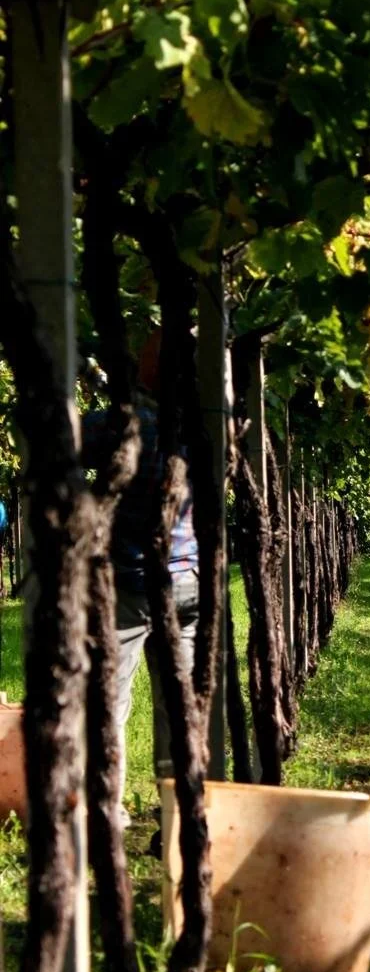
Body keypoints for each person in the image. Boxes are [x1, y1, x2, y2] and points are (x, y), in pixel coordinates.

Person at [83, 330, 199, 831]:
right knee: (180, 702)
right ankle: (179, 814)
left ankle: (108, 807)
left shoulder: (124, 425)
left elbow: (69, 438)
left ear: (148, 370)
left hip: (127, 581)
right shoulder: (206, 425)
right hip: (185, 580)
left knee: (110, 698)